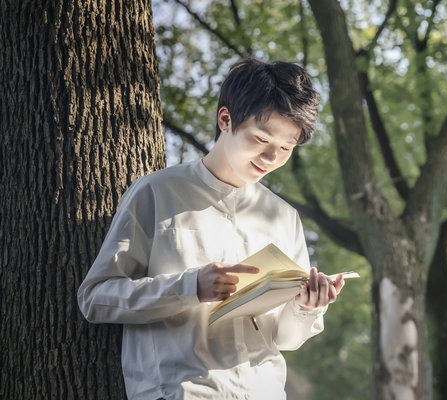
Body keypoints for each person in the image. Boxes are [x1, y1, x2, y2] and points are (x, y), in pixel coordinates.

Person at [78, 57, 345, 400]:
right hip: (180, 391)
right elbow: (96, 298)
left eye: (285, 148)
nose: (270, 158)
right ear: (225, 119)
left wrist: (307, 307)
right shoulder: (157, 193)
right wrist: (190, 286)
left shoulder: (283, 216)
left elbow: (284, 339)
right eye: (261, 139)